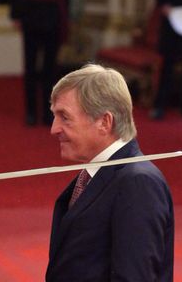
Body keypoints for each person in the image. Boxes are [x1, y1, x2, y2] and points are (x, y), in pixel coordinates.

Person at [46, 64, 174, 281]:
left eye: (64, 117)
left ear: (104, 122)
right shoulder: (95, 174)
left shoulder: (138, 183)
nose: (54, 128)